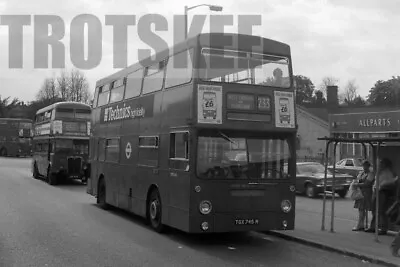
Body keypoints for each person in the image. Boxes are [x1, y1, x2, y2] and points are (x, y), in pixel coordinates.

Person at [365, 158, 397, 235]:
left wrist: (381, 187)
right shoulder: (380, 172)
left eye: (381, 164)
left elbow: (390, 184)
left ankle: (383, 228)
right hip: (376, 192)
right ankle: (373, 227)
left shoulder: (388, 173)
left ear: (385, 165)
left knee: (381, 211)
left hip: (382, 193)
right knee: (374, 210)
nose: (380, 165)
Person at [352, 160, 374, 231]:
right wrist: (356, 182)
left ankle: (360, 225)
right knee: (360, 209)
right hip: (360, 193)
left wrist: (357, 184)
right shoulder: (361, 173)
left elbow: (367, 184)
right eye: (363, 165)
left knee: (362, 209)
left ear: (368, 166)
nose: (364, 167)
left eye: (365, 166)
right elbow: (357, 179)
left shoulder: (370, 174)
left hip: (366, 193)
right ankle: (361, 225)